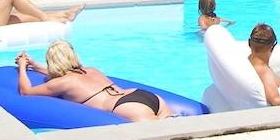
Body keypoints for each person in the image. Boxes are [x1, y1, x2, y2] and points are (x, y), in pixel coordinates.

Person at [15, 40, 171, 122]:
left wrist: (22, 67)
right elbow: (65, 73)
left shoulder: (61, 83)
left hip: (128, 107)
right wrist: (34, 65)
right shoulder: (90, 70)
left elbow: (26, 92)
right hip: (145, 96)